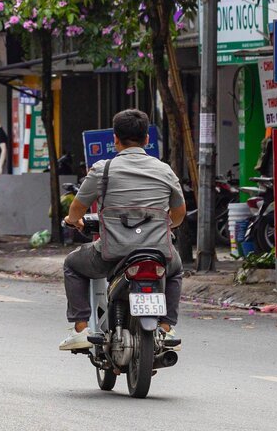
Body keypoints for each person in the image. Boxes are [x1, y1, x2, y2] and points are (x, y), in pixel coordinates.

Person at [58, 107, 186, 352]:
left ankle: (80, 328)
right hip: (158, 253)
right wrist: (162, 225)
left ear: (115, 139)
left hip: (111, 254)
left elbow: (76, 210)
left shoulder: (102, 170)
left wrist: (75, 221)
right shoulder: (164, 170)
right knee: (176, 269)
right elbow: (178, 214)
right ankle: (167, 328)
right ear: (147, 139)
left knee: (72, 265)